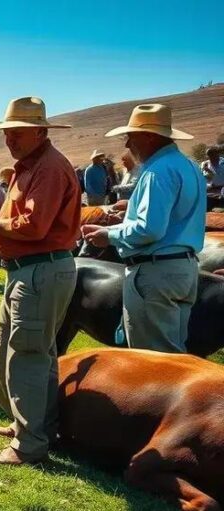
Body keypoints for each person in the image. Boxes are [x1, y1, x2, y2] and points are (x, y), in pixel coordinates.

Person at [0, 96, 80, 466]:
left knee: (28, 355)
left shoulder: (48, 168)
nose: (9, 139)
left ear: (41, 132)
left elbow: (34, 226)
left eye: (17, 132)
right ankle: (32, 425)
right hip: (28, 270)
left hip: (40, 269)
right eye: (8, 132)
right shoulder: (29, 167)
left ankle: (30, 444)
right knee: (21, 353)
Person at [81, 103, 204, 353]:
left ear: (149, 136)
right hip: (184, 269)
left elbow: (150, 230)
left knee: (151, 359)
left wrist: (109, 235)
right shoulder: (188, 166)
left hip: (156, 273)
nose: (127, 144)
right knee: (172, 355)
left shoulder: (157, 171)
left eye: (131, 137)